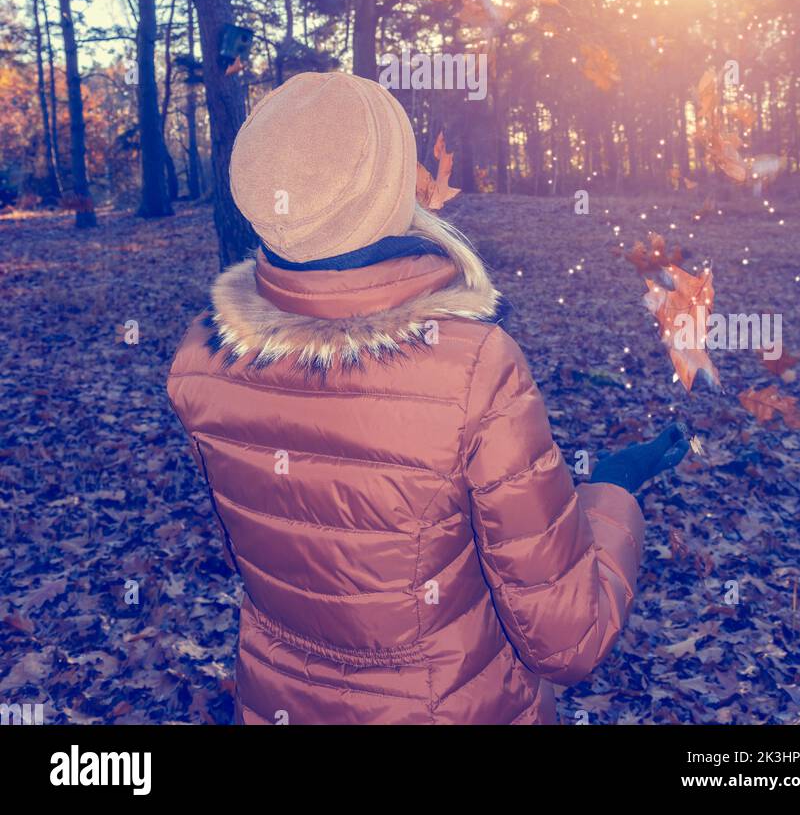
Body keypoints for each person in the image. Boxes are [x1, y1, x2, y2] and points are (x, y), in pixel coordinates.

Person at [167, 71, 688, 725]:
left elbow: (285, 559)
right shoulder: (469, 368)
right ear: (386, 191)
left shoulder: (202, 357)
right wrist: (615, 491)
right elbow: (568, 636)